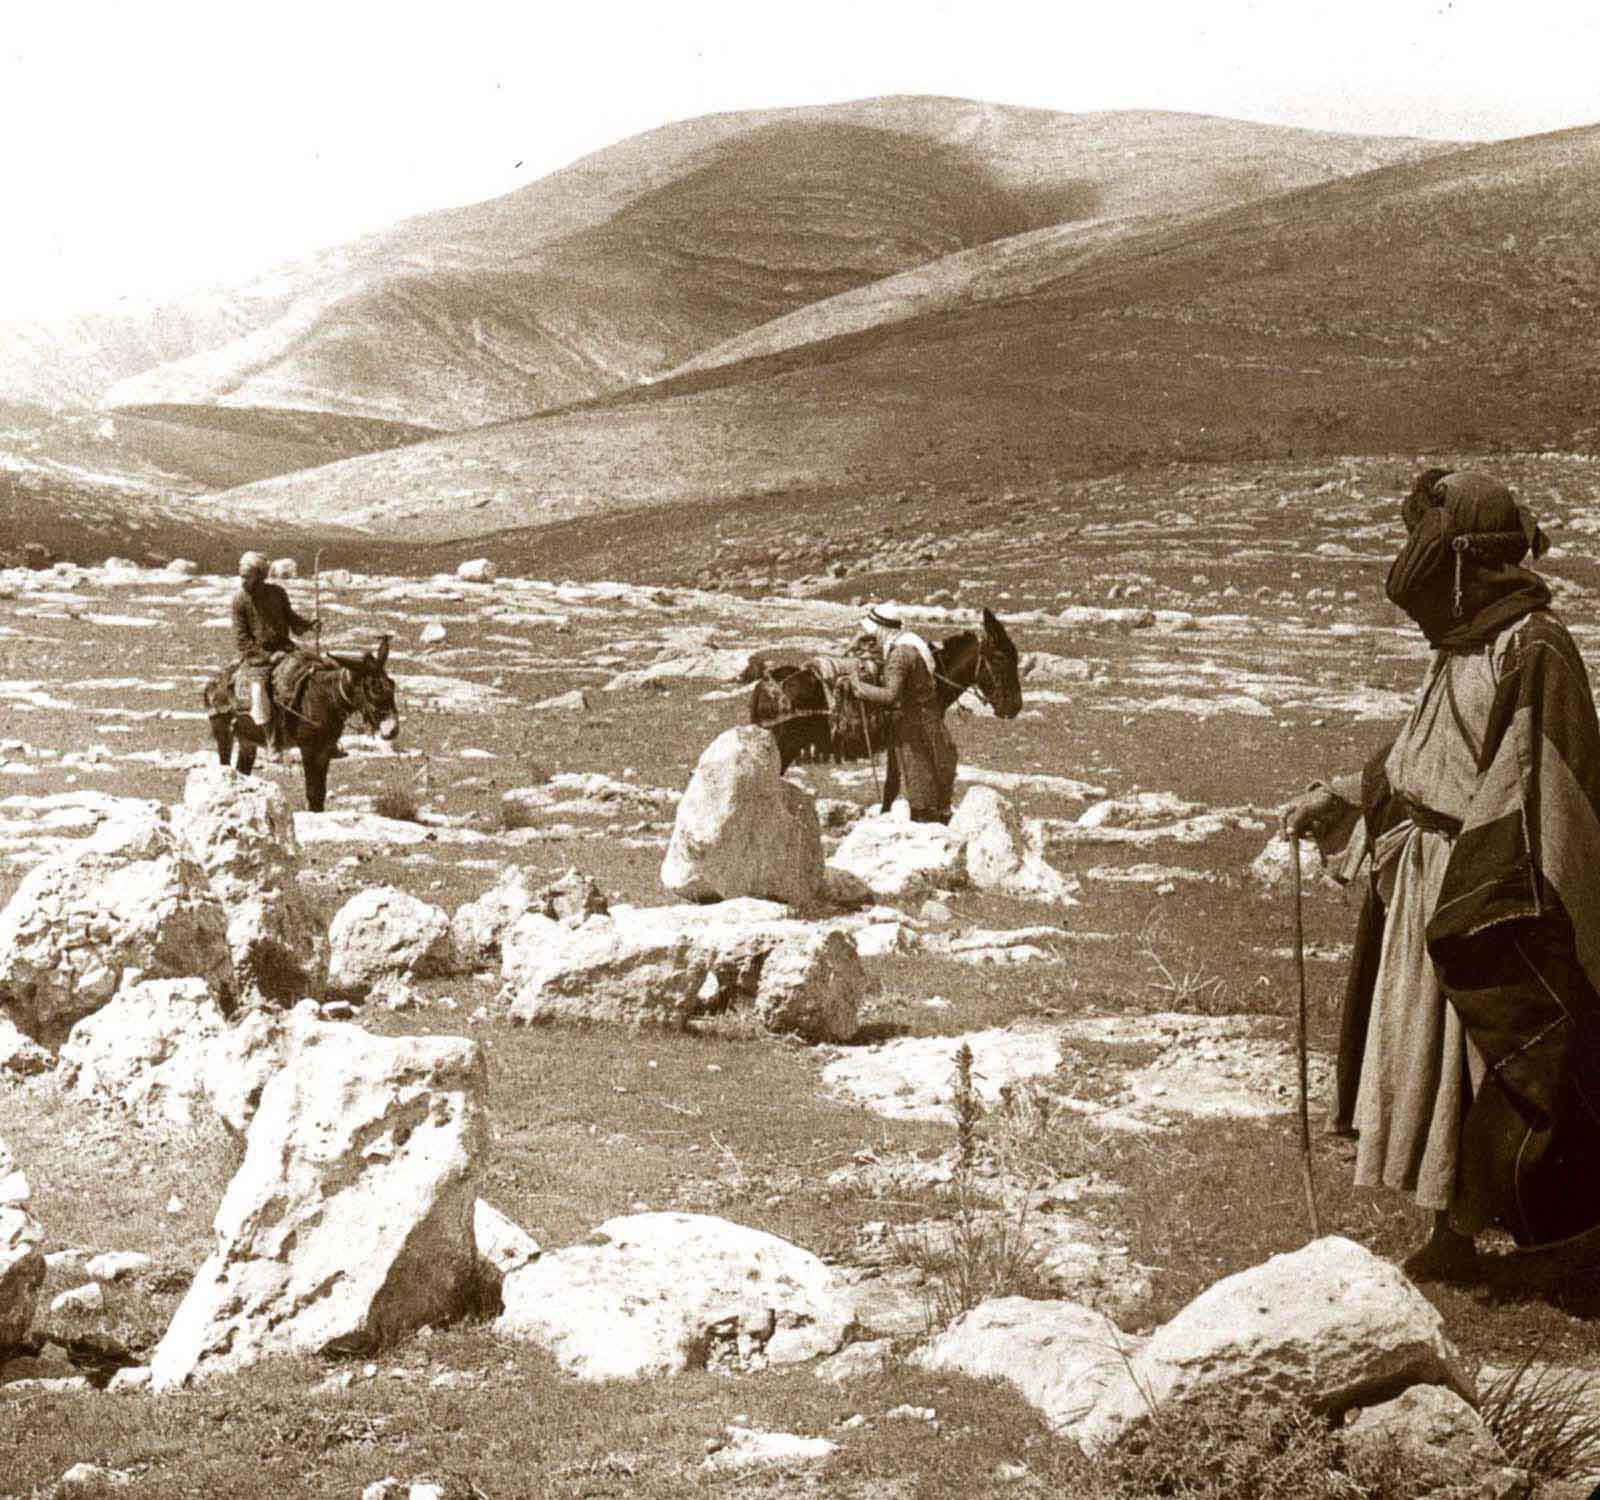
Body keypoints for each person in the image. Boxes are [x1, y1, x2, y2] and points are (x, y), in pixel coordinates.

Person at [1284, 469, 1600, 1283]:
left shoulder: (1531, 645)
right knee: (1427, 1059)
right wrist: (1347, 796)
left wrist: (1482, 886)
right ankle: (1450, 1234)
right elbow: (1424, 757)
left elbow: (1544, 788)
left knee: (1492, 1059)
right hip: (1431, 877)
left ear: (1465, 558)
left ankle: (1553, 1241)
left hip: (1486, 891)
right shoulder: (1467, 639)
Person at [840, 605, 956, 823]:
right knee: (934, 777)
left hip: (913, 727)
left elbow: (891, 695)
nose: (871, 638)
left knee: (919, 779)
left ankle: (924, 824)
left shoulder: (899, 655)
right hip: (929, 721)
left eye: (873, 633)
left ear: (882, 630)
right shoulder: (913, 644)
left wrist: (859, 687)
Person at [230, 552, 318, 755]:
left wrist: (309, 625)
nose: (243, 581)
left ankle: (322, 734)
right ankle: (272, 740)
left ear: (260, 575)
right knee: (259, 692)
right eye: (241, 576)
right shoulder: (239, 601)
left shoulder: (278, 593)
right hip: (257, 659)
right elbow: (242, 640)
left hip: (286, 648)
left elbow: (291, 618)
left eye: (247, 576)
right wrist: (268, 657)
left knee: (318, 671)